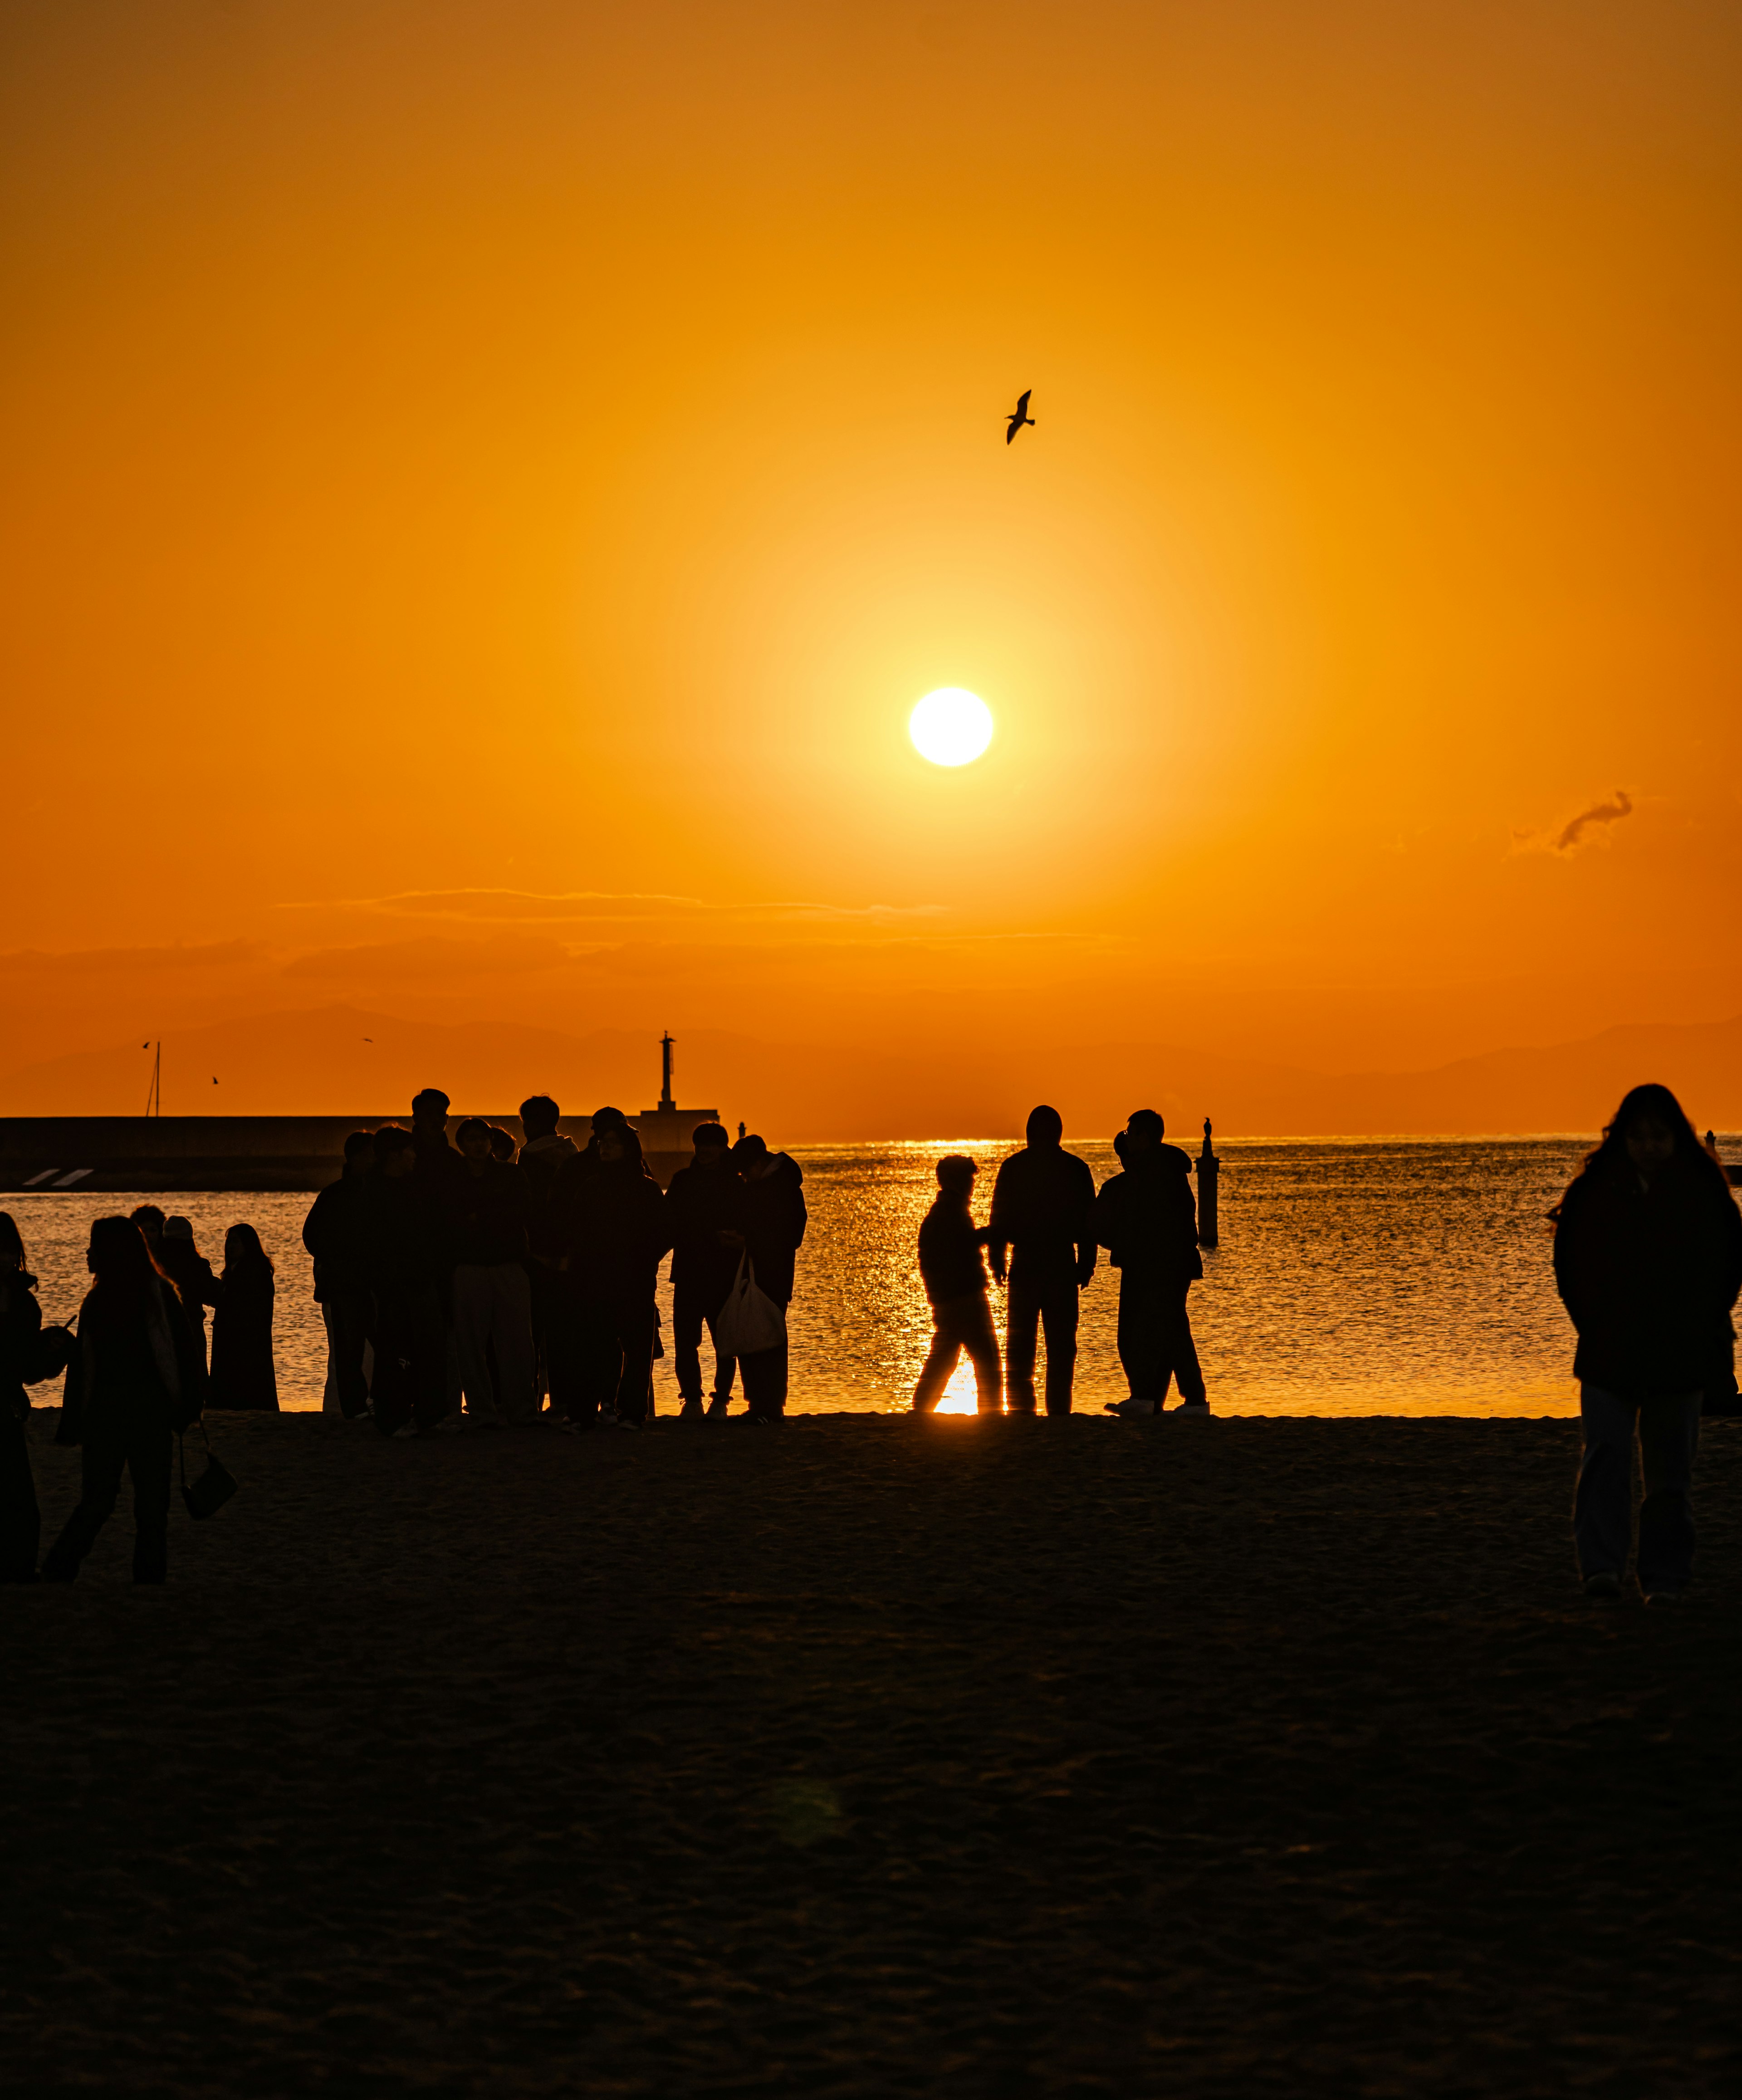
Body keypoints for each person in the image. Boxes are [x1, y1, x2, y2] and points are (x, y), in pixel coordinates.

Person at [1553, 1082, 1742, 1602]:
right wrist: (1592, 1324)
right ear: (1623, 1139)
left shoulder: (1703, 1192)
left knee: (1669, 1475)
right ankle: (1602, 1571)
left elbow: (1728, 1267)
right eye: (1639, 1137)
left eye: (1659, 1136)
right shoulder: (1595, 1191)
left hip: (1681, 1355)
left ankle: (1664, 1578)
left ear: (1676, 1137)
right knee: (1606, 1457)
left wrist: (1704, 1325)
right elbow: (1570, 1267)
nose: (1650, 1146)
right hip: (1609, 1351)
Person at [42, 1216, 206, 1585]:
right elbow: (184, 1355)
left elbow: (86, 1368)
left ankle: (60, 1567)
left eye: (94, 1246)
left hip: (110, 1417)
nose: (89, 1253)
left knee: (99, 1500)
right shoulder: (157, 1292)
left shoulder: (102, 1299)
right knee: (151, 1505)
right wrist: (187, 1407)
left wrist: (74, 1421)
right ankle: (147, 1577)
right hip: (149, 1416)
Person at [551, 1123, 670, 1427]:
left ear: (628, 1148)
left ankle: (631, 1413)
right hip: (594, 1280)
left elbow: (664, 1232)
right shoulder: (591, 1187)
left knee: (637, 1352)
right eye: (603, 1142)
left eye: (613, 1143)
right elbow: (576, 1233)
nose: (605, 1147)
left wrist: (643, 1260)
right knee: (590, 1349)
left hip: (635, 1280)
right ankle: (583, 1413)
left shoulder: (646, 1188)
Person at [1095, 1110, 1207, 1417]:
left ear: (1144, 1137)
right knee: (1169, 1329)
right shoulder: (1165, 1169)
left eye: (1131, 1134)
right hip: (1169, 1262)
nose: (1127, 1140)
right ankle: (1165, 1399)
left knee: (1140, 1331)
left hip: (1153, 1263)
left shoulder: (1150, 1173)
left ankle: (1154, 1397)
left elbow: (1137, 1213)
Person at [987, 1106, 1097, 1416]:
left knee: (1021, 1346)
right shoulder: (1076, 1168)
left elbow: (999, 1219)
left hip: (1025, 1262)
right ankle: (1058, 1411)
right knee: (1062, 1346)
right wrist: (1087, 1264)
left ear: (1029, 1133)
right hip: (1062, 1262)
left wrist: (997, 1260)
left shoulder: (1013, 1167)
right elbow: (1089, 1223)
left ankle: (1023, 1412)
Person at [364, 1124, 452, 1437]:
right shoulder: (372, 1192)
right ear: (394, 1154)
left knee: (430, 1348)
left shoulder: (417, 1188)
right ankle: (393, 1416)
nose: (415, 1156)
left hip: (422, 1279)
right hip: (392, 1285)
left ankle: (430, 1414)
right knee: (394, 1352)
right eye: (409, 1150)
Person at [449, 1115, 535, 1426]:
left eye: (483, 1139)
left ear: (491, 1143)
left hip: (508, 1264)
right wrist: (489, 1214)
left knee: (517, 1342)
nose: (478, 1144)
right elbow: (450, 1219)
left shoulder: (511, 1174)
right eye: (471, 1139)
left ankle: (522, 1408)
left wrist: (480, 1215)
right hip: (469, 1267)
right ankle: (481, 1409)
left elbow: (522, 1212)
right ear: (461, 1144)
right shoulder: (453, 1177)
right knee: (470, 1345)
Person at [665, 1123, 745, 1420]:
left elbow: (746, 1225)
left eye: (712, 1145)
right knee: (686, 1342)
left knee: (725, 1341)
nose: (705, 1150)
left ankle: (721, 1401)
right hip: (687, 1272)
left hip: (725, 1274)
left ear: (724, 1148)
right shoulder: (682, 1180)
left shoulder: (737, 1184)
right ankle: (692, 1399)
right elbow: (667, 1223)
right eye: (700, 1144)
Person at [911, 1155, 1002, 1415]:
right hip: (964, 1298)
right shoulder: (950, 1213)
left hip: (947, 1299)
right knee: (987, 1361)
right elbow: (962, 1247)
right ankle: (992, 1414)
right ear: (955, 1180)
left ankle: (921, 1411)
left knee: (944, 1359)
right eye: (968, 1179)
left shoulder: (947, 1212)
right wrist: (990, 1234)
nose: (972, 1184)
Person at [732, 1134, 807, 1420]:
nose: (744, 1177)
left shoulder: (784, 1189)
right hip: (754, 1272)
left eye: (746, 1170)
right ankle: (759, 1403)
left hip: (773, 1273)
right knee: (753, 1338)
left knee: (770, 1340)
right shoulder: (761, 1186)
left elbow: (791, 1237)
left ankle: (771, 1404)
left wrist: (746, 1241)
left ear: (761, 1163)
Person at [303, 1130, 377, 1418]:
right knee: (351, 1349)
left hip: (363, 1281)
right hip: (348, 1283)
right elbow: (313, 1238)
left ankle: (368, 1402)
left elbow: (313, 1238)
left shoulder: (342, 1192)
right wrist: (339, 1261)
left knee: (364, 1346)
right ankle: (355, 1406)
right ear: (359, 1157)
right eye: (372, 1153)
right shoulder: (336, 1195)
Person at [517, 1096, 578, 1421]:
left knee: (532, 1335)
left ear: (530, 1123)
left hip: (537, 1258)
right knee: (563, 1336)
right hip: (570, 1259)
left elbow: (529, 1211)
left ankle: (532, 1399)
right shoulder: (573, 1156)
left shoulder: (528, 1159)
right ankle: (564, 1400)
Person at [0, 1214, 45, 1582]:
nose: (5, 1258)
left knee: (18, 1498)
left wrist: (53, 1352)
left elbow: (30, 1368)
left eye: (9, 1251)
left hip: (7, 1406)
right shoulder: (22, 1302)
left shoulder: (25, 1303)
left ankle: (18, 1568)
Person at [209, 1223, 279, 1410]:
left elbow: (246, 1305)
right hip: (240, 1338)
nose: (230, 1246)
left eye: (235, 1241)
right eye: (228, 1242)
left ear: (248, 1243)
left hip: (245, 1340)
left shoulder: (253, 1271)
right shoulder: (238, 1271)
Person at [156, 1217, 221, 1370]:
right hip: (191, 1331)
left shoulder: (155, 1264)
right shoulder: (196, 1265)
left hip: (161, 1331)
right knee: (195, 1379)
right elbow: (214, 1296)